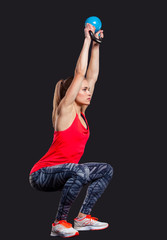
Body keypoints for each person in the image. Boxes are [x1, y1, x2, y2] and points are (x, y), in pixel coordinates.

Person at [29, 23, 113, 238]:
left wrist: (96, 45)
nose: (88, 92)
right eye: (83, 89)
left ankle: (83, 217)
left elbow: (91, 76)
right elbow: (81, 73)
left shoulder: (82, 112)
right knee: (80, 171)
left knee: (106, 169)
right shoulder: (65, 110)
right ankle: (59, 222)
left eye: (88, 89)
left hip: (67, 173)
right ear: (72, 92)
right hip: (42, 175)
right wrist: (86, 40)